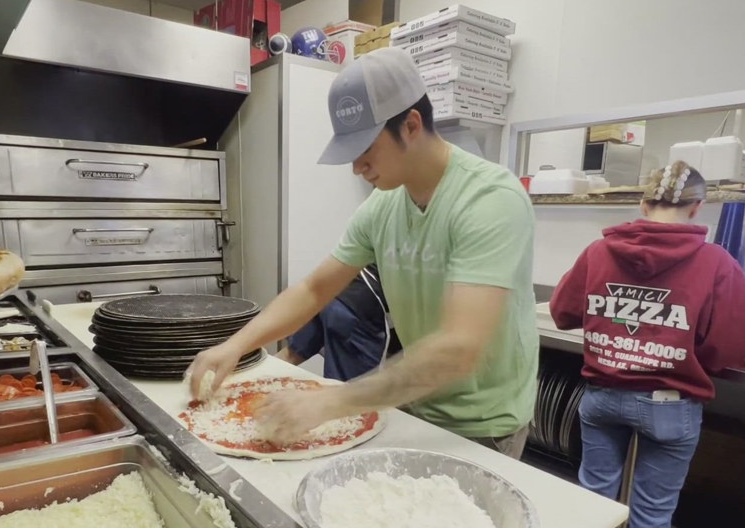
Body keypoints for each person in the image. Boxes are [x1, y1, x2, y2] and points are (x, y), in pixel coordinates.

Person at [186, 47, 538, 458]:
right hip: (414, 402)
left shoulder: (490, 200)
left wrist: (329, 401)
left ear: (410, 125)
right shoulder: (384, 205)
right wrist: (236, 346)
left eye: (365, 150)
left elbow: (460, 348)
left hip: (483, 422)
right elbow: (316, 290)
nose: (357, 168)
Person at [549, 161, 745, 528]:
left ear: (643, 205)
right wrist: (682, 352)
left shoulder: (599, 251)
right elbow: (734, 343)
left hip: (602, 397)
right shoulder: (716, 263)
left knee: (595, 502)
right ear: (697, 207)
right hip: (670, 407)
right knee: (651, 516)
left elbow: (563, 311)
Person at [275, 264, 401, 382]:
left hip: (332, 292)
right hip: (360, 308)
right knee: (350, 395)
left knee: (289, 356)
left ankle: (256, 379)